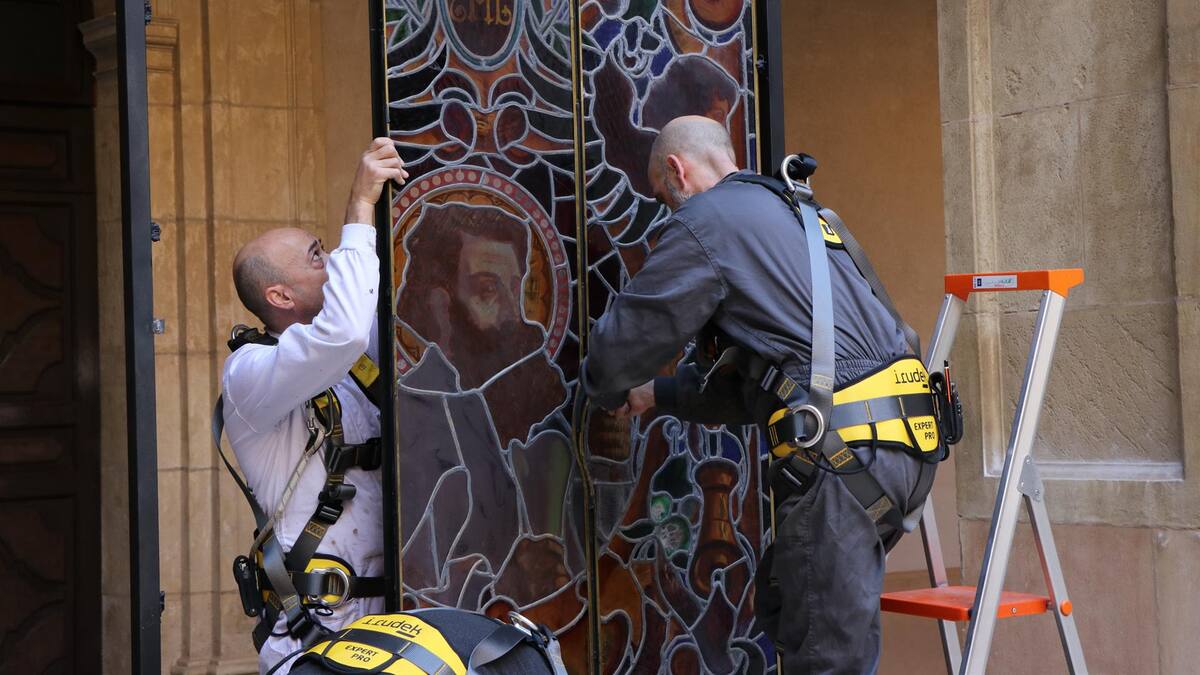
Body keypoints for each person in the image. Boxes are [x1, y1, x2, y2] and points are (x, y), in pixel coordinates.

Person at [581, 115, 940, 673]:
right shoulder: (794, 212)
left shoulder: (706, 222)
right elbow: (774, 384)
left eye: (662, 197)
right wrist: (659, 395)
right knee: (791, 607)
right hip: (900, 447)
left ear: (677, 171)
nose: (668, 210)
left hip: (843, 453)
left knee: (824, 653)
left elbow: (615, 356)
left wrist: (604, 390)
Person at [220, 137, 407, 674]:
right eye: (317, 256)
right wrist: (359, 207)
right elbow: (343, 331)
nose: (331, 261)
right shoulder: (250, 375)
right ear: (280, 297)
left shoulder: (352, 351)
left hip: (404, 612)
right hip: (321, 639)